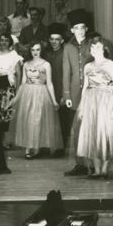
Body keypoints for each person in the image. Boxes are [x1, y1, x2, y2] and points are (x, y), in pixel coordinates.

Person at [71, 40, 113, 179]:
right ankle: (97, 170)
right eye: (92, 47)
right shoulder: (88, 66)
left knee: (104, 134)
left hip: (106, 101)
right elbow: (85, 87)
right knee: (91, 134)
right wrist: (82, 107)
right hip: (90, 101)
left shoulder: (112, 65)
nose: (94, 49)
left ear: (104, 49)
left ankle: (104, 170)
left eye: (98, 46)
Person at [9, 41, 62, 159]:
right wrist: (16, 98)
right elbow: (22, 83)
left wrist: (54, 101)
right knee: (28, 120)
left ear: (41, 50)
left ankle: (36, 148)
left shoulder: (46, 64)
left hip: (41, 93)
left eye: (37, 49)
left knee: (37, 120)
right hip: (27, 94)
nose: (35, 52)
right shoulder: (26, 64)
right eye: (33, 50)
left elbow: (49, 83)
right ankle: (28, 148)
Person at [61, 9, 94, 176]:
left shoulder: (92, 44)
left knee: (92, 127)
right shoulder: (67, 47)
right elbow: (66, 72)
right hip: (74, 93)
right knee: (77, 129)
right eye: (76, 27)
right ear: (72, 30)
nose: (80, 30)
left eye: (82, 27)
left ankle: (93, 164)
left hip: (92, 91)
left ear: (86, 28)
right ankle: (80, 164)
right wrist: (66, 95)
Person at [0, 33, 23, 147]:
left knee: (8, 113)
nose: (3, 43)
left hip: (9, 86)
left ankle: (9, 140)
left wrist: (18, 91)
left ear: (10, 42)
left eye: (6, 40)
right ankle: (1, 140)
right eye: (1, 40)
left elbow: (18, 73)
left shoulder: (14, 55)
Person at [44, 23, 67, 158]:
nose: (54, 41)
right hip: (46, 92)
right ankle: (46, 146)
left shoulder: (65, 54)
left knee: (62, 121)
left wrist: (64, 94)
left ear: (62, 40)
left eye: (57, 39)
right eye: (52, 39)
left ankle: (60, 148)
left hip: (60, 91)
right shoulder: (46, 54)